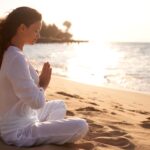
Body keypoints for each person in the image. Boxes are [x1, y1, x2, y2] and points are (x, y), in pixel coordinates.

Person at [0, 6, 88, 147]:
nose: (38, 35)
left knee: (59, 105)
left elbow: (26, 96)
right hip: (18, 131)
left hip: (26, 116)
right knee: (81, 126)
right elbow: (37, 102)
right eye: (36, 30)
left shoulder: (12, 52)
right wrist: (42, 84)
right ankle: (44, 133)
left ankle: (45, 131)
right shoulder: (15, 57)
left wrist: (38, 85)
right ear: (22, 28)